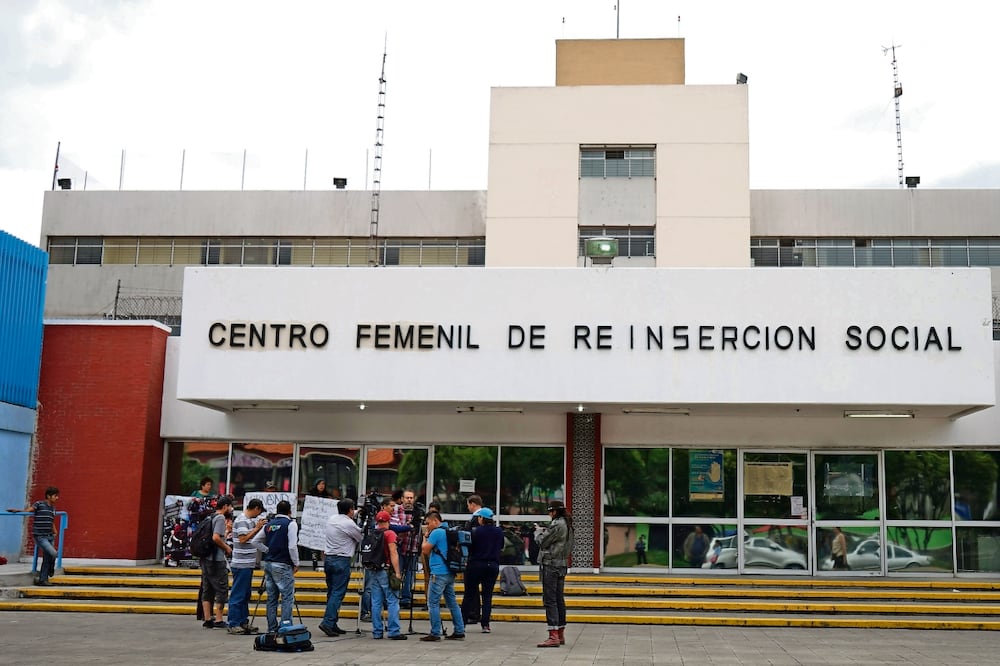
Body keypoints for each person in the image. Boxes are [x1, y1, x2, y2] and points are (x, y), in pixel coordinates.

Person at [318, 498, 363, 637]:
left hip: (329, 559)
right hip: (341, 560)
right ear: (350, 510)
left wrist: (358, 511)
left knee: (332, 592)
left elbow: (348, 515)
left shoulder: (332, 519)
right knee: (338, 593)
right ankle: (327, 622)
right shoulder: (349, 524)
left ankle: (332, 623)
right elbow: (360, 537)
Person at [420, 510, 465, 642]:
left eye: (428, 523)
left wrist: (425, 537)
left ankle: (435, 632)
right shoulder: (448, 530)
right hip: (449, 572)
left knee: (432, 603)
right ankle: (459, 630)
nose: (427, 526)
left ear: (435, 521)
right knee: (452, 603)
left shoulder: (437, 532)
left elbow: (425, 550)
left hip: (438, 573)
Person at [256, 499, 299, 633]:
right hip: (283, 564)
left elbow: (255, 541)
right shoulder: (290, 524)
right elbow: (292, 546)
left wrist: (268, 550)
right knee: (287, 596)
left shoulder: (269, 525)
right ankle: (285, 626)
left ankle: (272, 628)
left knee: (272, 598)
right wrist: (296, 562)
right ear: (289, 511)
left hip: (269, 563)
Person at [536, 500, 574, 648]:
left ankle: (553, 636)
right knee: (559, 599)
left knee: (550, 599)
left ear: (554, 512)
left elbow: (542, 542)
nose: (548, 514)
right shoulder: (568, 524)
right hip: (562, 564)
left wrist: (538, 532)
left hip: (551, 564)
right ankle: (560, 633)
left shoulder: (557, 524)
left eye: (549, 511)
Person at [227, 498, 267, 634]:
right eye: (259, 511)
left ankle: (243, 621)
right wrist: (256, 529)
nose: (259, 515)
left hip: (247, 563)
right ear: (255, 508)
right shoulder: (242, 520)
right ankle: (233, 623)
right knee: (238, 594)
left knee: (245, 594)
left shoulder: (249, 520)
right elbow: (243, 539)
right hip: (241, 563)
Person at [8, 486, 60, 586]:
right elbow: (29, 510)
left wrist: (55, 531)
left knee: (47, 556)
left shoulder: (53, 508)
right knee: (53, 553)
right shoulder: (39, 504)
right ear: (48, 496)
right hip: (40, 536)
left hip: (50, 535)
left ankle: (43, 580)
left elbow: (51, 520)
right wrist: (18, 510)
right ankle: (51, 568)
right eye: (55, 496)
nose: (57, 498)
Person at [367, 510, 407, 640]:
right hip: (386, 570)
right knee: (392, 600)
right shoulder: (390, 534)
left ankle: (377, 631)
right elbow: (393, 553)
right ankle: (394, 630)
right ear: (388, 521)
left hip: (374, 570)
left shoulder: (372, 533)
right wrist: (397, 572)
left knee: (376, 602)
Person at [462, 507, 503, 633]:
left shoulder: (475, 531)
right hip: (492, 566)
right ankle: (485, 624)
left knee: (469, 594)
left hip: (475, 565)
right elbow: (501, 546)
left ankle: (461, 623)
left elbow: (469, 547)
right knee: (487, 596)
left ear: (481, 519)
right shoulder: (499, 531)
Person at [200, 495, 234, 628]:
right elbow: (215, 538)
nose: (231, 509)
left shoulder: (210, 516)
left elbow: (216, 536)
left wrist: (226, 533)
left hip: (206, 558)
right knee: (221, 588)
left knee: (207, 588)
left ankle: (208, 618)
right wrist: (227, 547)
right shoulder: (220, 518)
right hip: (216, 559)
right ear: (225, 506)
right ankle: (219, 619)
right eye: (230, 506)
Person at [399, 488, 423, 608]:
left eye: (411, 498)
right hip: (399, 548)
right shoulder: (397, 511)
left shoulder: (418, 512)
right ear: (402, 499)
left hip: (413, 547)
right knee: (396, 574)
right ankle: (394, 597)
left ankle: (406, 598)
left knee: (410, 574)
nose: (409, 500)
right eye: (407, 497)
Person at [306, 479, 333, 570]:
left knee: (324, 544)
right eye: (320, 484)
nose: (322, 486)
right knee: (314, 544)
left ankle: (325, 564)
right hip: (313, 523)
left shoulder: (327, 496)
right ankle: (314, 563)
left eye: (323, 484)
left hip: (324, 524)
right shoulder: (310, 495)